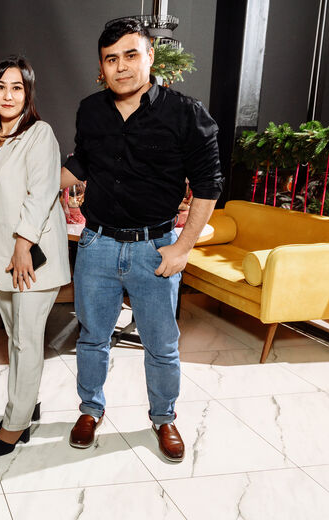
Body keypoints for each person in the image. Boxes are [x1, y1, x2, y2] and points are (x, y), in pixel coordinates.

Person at [61, 18, 224, 462]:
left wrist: (183, 248)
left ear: (150, 56)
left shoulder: (186, 113)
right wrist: (32, 185)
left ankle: (164, 417)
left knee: (162, 344)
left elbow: (209, 185)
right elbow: (82, 163)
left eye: (131, 55)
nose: (121, 67)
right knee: (92, 338)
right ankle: (90, 409)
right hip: (96, 245)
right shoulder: (90, 110)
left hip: (155, 249)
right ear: (101, 67)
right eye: (111, 59)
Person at [0, 56, 70, 457]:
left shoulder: (39, 134)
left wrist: (23, 245)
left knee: (26, 342)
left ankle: (14, 424)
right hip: (2, 260)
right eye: (1, 87)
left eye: (17, 87)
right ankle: (29, 405)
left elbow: (42, 192)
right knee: (16, 339)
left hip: (31, 257)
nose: (8, 95)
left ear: (28, 94)